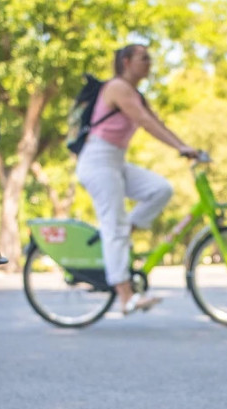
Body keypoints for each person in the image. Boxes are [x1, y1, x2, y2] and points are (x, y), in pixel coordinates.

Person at [76, 44, 199, 315]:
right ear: (126, 62)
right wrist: (179, 148)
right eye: (144, 58)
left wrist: (186, 147)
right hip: (97, 161)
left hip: (116, 161)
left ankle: (121, 234)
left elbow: (158, 122)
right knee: (115, 225)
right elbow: (144, 121)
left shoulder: (136, 94)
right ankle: (125, 297)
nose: (149, 63)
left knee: (160, 189)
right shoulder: (117, 87)